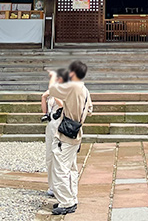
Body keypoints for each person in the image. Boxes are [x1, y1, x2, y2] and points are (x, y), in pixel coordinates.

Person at [47, 60, 92, 216]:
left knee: (60, 168)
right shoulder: (85, 89)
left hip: (66, 134)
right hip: (76, 132)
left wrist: (53, 76)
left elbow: (52, 90)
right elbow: (90, 109)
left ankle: (67, 202)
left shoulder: (73, 87)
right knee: (71, 167)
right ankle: (72, 198)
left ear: (72, 72)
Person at [42, 67, 69, 198]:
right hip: (50, 124)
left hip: (60, 125)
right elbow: (45, 109)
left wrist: (52, 91)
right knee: (49, 157)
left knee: (59, 156)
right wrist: (44, 97)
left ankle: (61, 186)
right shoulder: (53, 93)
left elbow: (63, 104)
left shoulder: (65, 92)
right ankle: (52, 185)